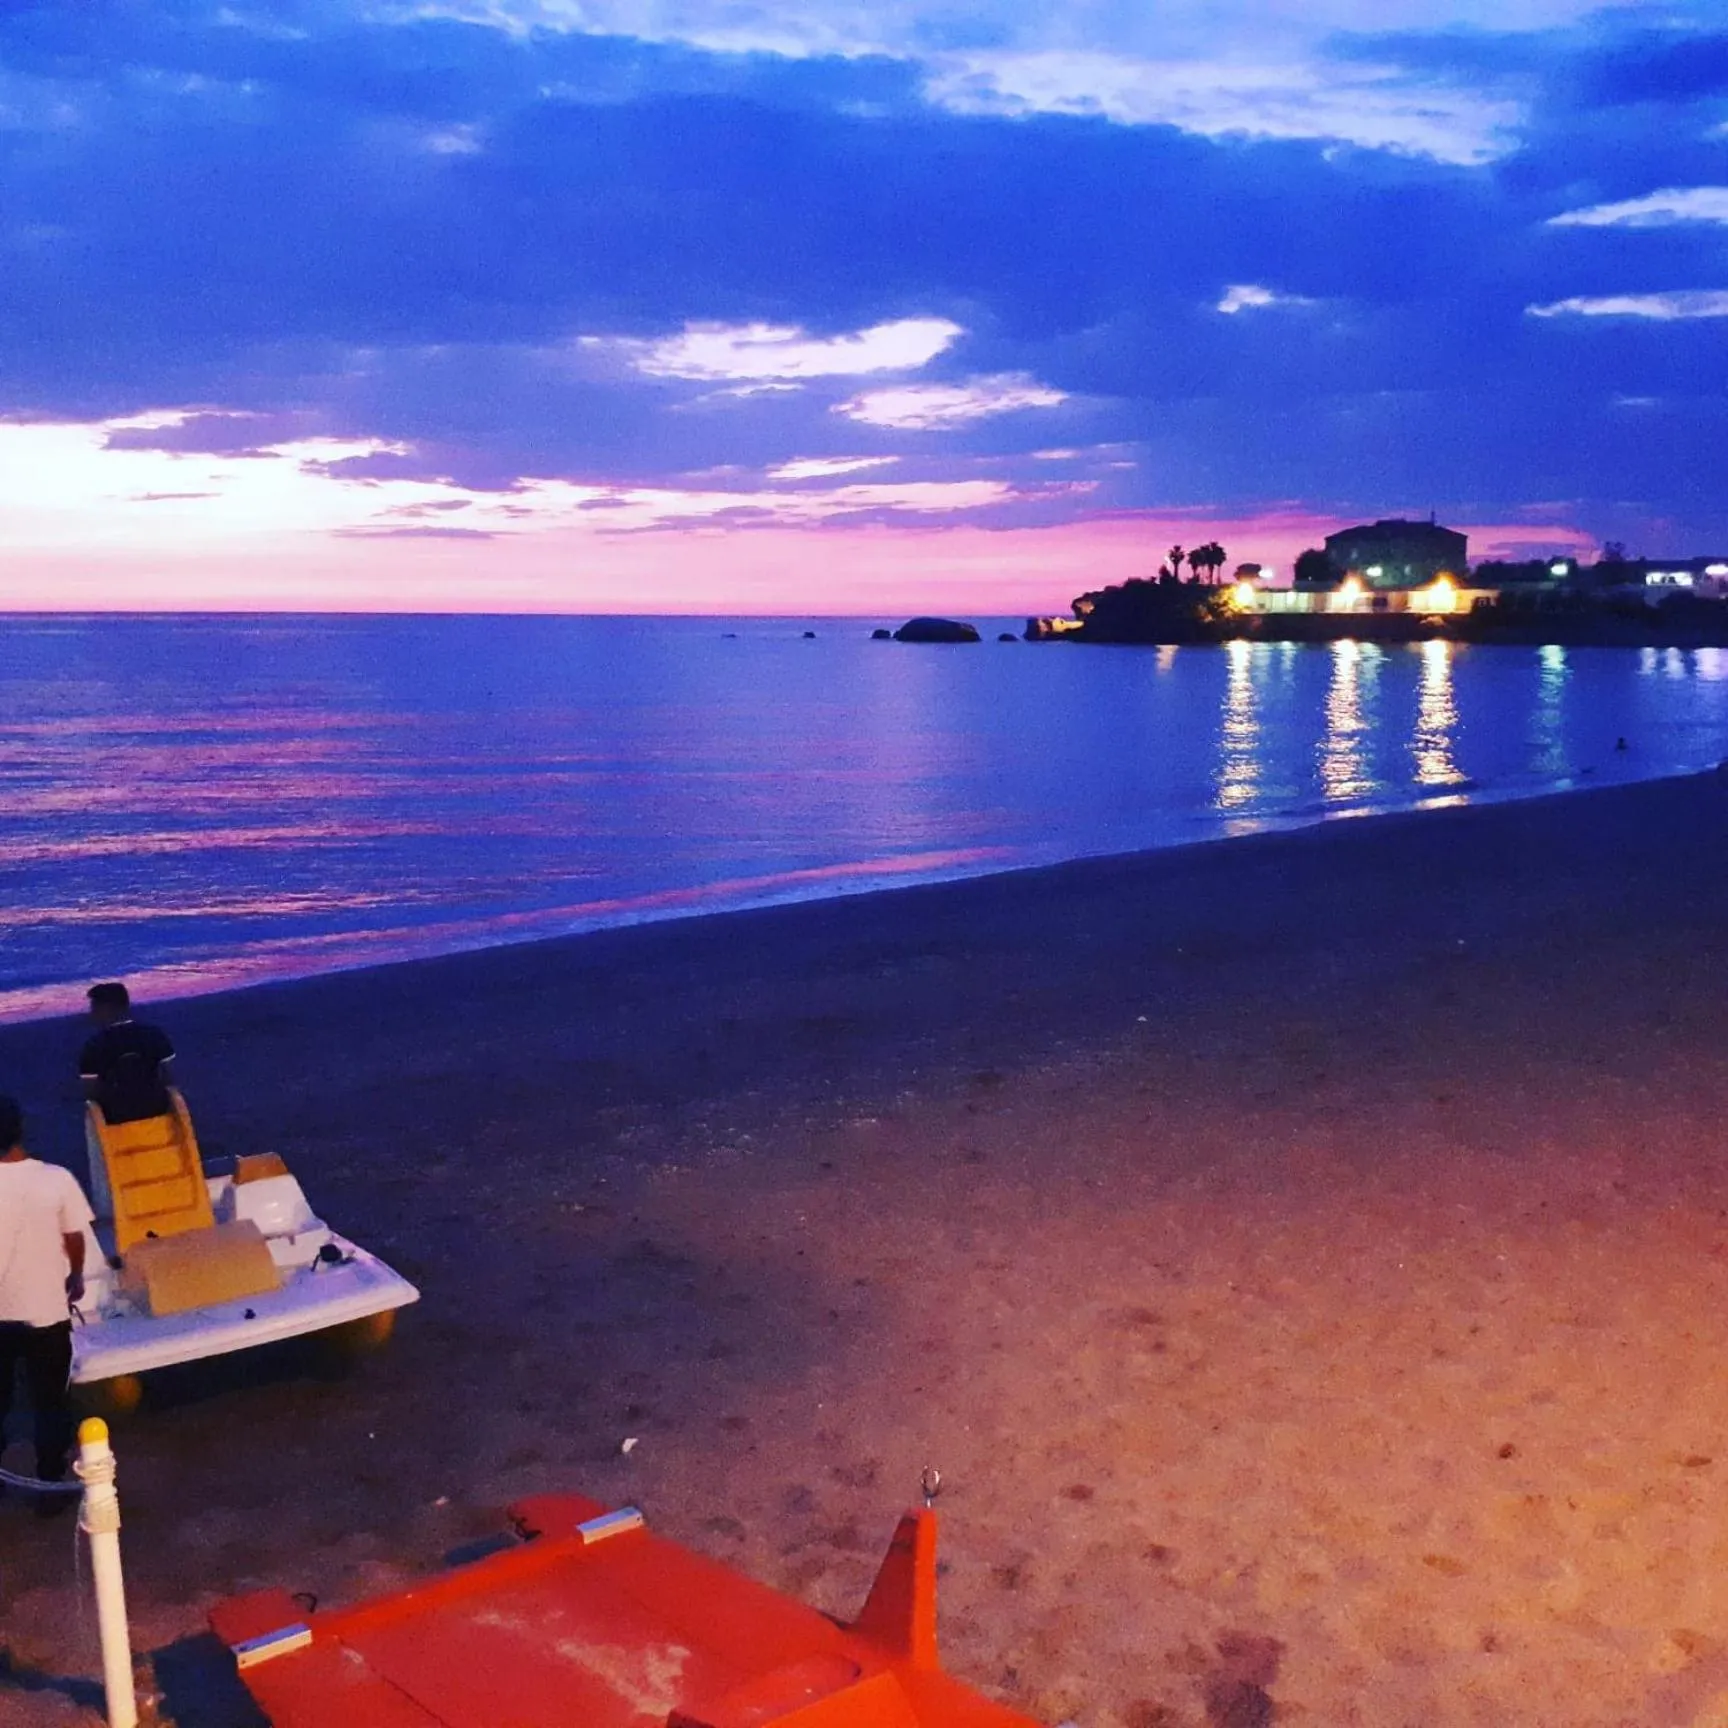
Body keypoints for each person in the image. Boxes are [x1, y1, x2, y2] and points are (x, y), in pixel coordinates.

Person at [0, 1095, 93, 1514]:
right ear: (21, 1131)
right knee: (51, 1401)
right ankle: (50, 1483)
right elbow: (74, 1238)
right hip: (46, 1312)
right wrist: (75, 1277)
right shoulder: (56, 1179)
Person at [79, 982, 176, 1126]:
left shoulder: (94, 1045)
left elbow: (90, 1092)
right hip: (156, 1107)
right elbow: (169, 1075)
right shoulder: (154, 1034)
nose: (91, 1013)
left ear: (107, 1008)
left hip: (115, 1116)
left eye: (94, 1007)